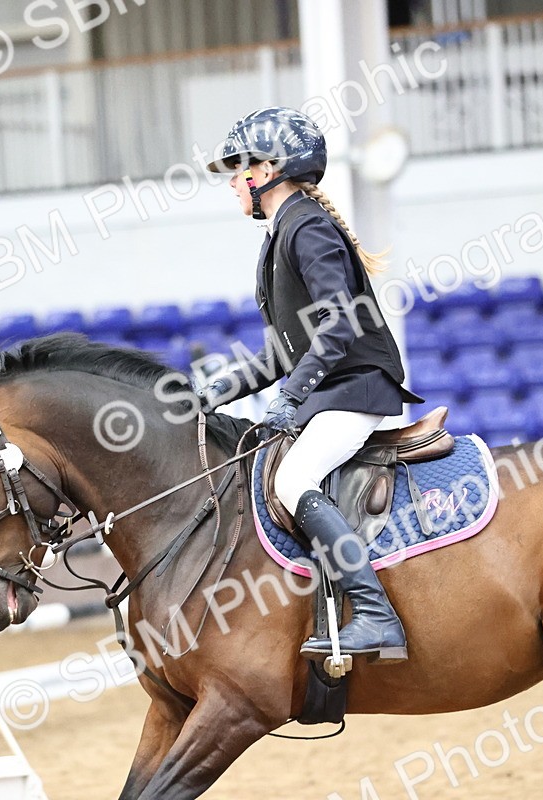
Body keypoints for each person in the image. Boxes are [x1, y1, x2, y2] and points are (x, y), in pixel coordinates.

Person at [198, 107, 423, 665]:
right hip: (333, 389)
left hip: (355, 389)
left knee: (294, 478)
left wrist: (292, 397)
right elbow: (286, 348)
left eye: (237, 169)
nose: (231, 182)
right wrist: (213, 393)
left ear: (269, 169)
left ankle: (374, 615)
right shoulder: (283, 233)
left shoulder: (305, 225)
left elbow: (339, 323)